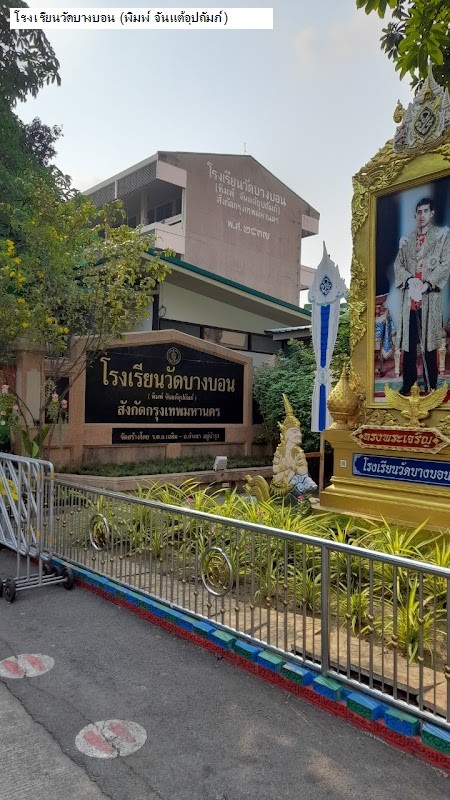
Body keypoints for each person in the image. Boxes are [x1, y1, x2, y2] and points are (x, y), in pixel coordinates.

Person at [394, 197, 450, 394]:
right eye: (419, 212)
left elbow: (446, 264)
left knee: (429, 345)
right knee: (409, 346)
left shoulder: (442, 237)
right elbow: (398, 265)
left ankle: (431, 384)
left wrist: (428, 284)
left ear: (431, 213)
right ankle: (408, 384)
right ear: (415, 215)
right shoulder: (407, 240)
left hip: (429, 298)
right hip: (410, 300)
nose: (422, 215)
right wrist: (409, 279)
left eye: (426, 211)